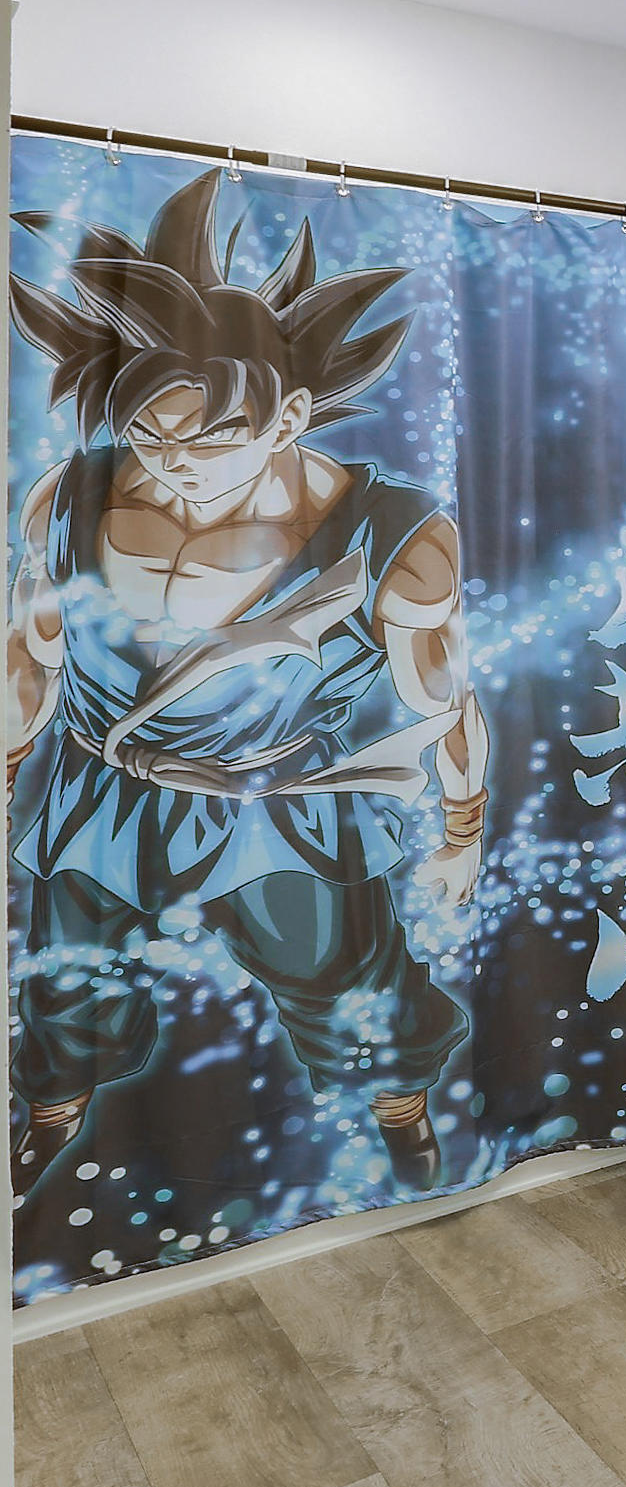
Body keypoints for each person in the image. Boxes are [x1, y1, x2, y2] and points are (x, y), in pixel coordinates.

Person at [5, 171, 487, 1205]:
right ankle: (52, 1111)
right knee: (67, 986)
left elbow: (445, 698)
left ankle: (401, 1112)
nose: (176, 467)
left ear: (289, 413)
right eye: (150, 435)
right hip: (99, 791)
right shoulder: (72, 491)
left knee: (350, 988)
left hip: (276, 804)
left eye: (213, 435)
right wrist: (8, 776)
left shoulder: (394, 534)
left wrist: (463, 827)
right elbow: (28, 658)